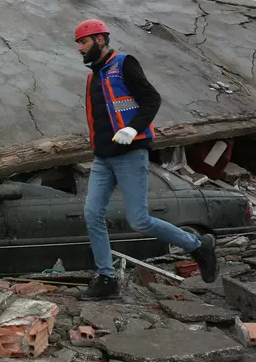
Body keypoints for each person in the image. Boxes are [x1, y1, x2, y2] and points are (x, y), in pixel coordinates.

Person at [75, 19, 218, 300]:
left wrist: (133, 129)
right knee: (92, 214)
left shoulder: (125, 64)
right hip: (103, 160)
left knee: (139, 220)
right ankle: (106, 278)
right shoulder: (93, 76)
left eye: (83, 42)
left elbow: (151, 99)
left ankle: (198, 244)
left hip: (130, 154)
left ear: (100, 40)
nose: (80, 48)